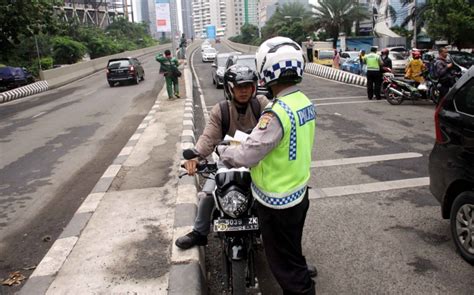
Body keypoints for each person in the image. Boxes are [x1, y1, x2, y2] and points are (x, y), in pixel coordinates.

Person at [218, 36, 317, 295]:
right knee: (292, 251)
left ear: (265, 70)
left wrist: (225, 151)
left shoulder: (276, 112)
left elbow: (250, 153)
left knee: (284, 266)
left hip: (276, 202)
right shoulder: (304, 102)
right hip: (298, 192)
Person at [175, 65, 269, 249]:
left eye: (247, 86)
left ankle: (281, 248)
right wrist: (196, 157)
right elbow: (209, 137)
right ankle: (199, 233)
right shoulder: (221, 110)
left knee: (270, 200)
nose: (243, 91)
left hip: (258, 163)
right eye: (238, 86)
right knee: (208, 195)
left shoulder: (262, 104)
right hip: (227, 162)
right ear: (229, 88)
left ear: (254, 87)